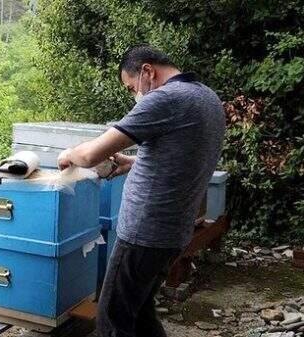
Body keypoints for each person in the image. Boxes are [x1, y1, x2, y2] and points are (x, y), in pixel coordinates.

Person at [57, 45, 225, 337]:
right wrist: (132, 163)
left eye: (131, 86)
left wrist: (70, 153)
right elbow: (183, 158)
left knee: (112, 320)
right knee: (141, 312)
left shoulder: (165, 98)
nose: (134, 94)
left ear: (147, 71)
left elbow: (90, 155)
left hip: (144, 233)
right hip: (173, 232)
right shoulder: (207, 98)